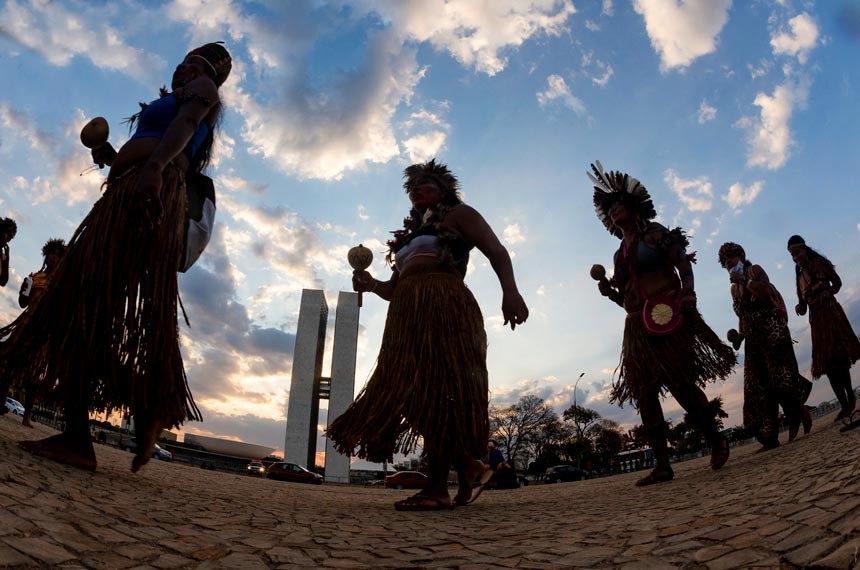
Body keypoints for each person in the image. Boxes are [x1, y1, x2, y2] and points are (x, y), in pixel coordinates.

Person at [0, 43, 231, 472]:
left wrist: (153, 169)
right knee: (91, 312)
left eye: (194, 65)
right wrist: (114, 158)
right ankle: (147, 406)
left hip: (147, 193)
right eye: (181, 63)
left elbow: (185, 123)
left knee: (80, 307)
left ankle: (87, 434)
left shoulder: (202, 89)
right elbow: (155, 136)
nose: (184, 69)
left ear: (210, 74)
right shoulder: (169, 98)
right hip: (130, 189)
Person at [327, 159, 529, 510]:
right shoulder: (408, 236)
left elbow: (496, 250)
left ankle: (438, 487)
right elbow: (393, 287)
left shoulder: (459, 215)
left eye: (424, 184)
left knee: (439, 390)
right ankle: (469, 467)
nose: (415, 189)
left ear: (444, 189)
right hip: (406, 315)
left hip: (444, 305)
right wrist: (371, 284)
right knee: (408, 391)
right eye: (411, 187)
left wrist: (510, 291)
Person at [588, 162, 735, 486]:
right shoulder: (619, 254)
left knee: (680, 383)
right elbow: (625, 296)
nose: (614, 211)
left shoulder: (655, 234)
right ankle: (663, 465)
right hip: (636, 325)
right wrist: (609, 291)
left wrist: (689, 294)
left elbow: (682, 262)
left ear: (633, 206)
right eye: (609, 208)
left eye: (618, 205)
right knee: (644, 391)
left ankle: (716, 439)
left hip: (667, 314)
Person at [718, 243, 812, 450]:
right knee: (758, 389)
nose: (728, 265)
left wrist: (744, 279)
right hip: (753, 342)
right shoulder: (734, 289)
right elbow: (743, 315)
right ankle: (769, 437)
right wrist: (737, 337)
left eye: (730, 260)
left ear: (741, 256)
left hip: (772, 332)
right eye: (724, 264)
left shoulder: (754, 271)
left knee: (781, 380)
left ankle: (799, 413)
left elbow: (765, 293)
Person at [788, 236, 860, 422]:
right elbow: (803, 301)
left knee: (839, 359)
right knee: (828, 364)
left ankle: (850, 399)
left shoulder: (818, 262)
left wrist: (829, 291)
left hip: (830, 313)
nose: (795, 257)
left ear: (805, 249)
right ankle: (844, 403)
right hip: (816, 320)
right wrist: (800, 306)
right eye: (792, 255)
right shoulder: (799, 272)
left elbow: (836, 283)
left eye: (797, 253)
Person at [12, 238, 68, 428]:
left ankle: (26, 416)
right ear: (46, 257)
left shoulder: (60, 284)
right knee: (13, 362)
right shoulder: (35, 277)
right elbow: (23, 303)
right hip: (26, 327)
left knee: (35, 375)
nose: (53, 258)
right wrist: (22, 291)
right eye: (51, 255)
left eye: (57, 256)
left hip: (44, 333)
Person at [0, 217, 17, 287]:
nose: (7, 238)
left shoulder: (1, 254)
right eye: (7, 233)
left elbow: (3, 281)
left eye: (10, 237)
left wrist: (7, 259)